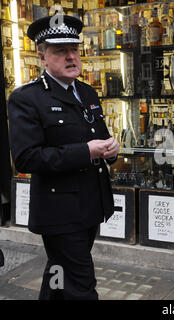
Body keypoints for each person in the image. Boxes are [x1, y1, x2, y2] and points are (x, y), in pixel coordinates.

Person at [7, 14, 120, 300]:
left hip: (90, 205)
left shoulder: (86, 92)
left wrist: (110, 150)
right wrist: (86, 151)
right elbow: (27, 158)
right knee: (81, 284)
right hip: (60, 211)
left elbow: (99, 136)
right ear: (43, 57)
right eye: (60, 51)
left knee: (60, 276)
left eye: (74, 50)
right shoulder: (27, 98)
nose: (71, 57)